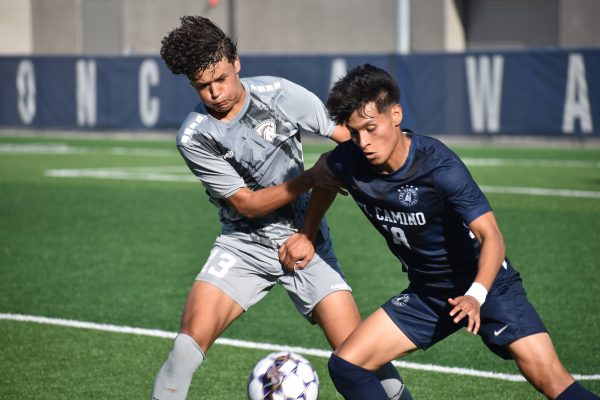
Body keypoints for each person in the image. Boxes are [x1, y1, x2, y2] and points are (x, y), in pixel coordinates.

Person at [278, 64, 600, 400]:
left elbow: (491, 236)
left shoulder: (439, 166)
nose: (364, 142)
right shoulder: (351, 157)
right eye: (355, 133)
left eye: (371, 128)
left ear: (396, 114)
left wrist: (476, 296)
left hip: (488, 287)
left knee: (553, 381)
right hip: (428, 294)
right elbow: (326, 175)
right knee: (347, 365)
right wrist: (307, 232)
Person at [150, 17, 411, 400]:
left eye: (221, 78)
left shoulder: (278, 93)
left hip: (306, 239)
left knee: (362, 356)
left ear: (236, 61)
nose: (215, 93)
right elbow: (248, 205)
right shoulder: (195, 136)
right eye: (202, 86)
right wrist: (312, 177)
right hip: (243, 245)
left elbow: (349, 139)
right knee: (184, 351)